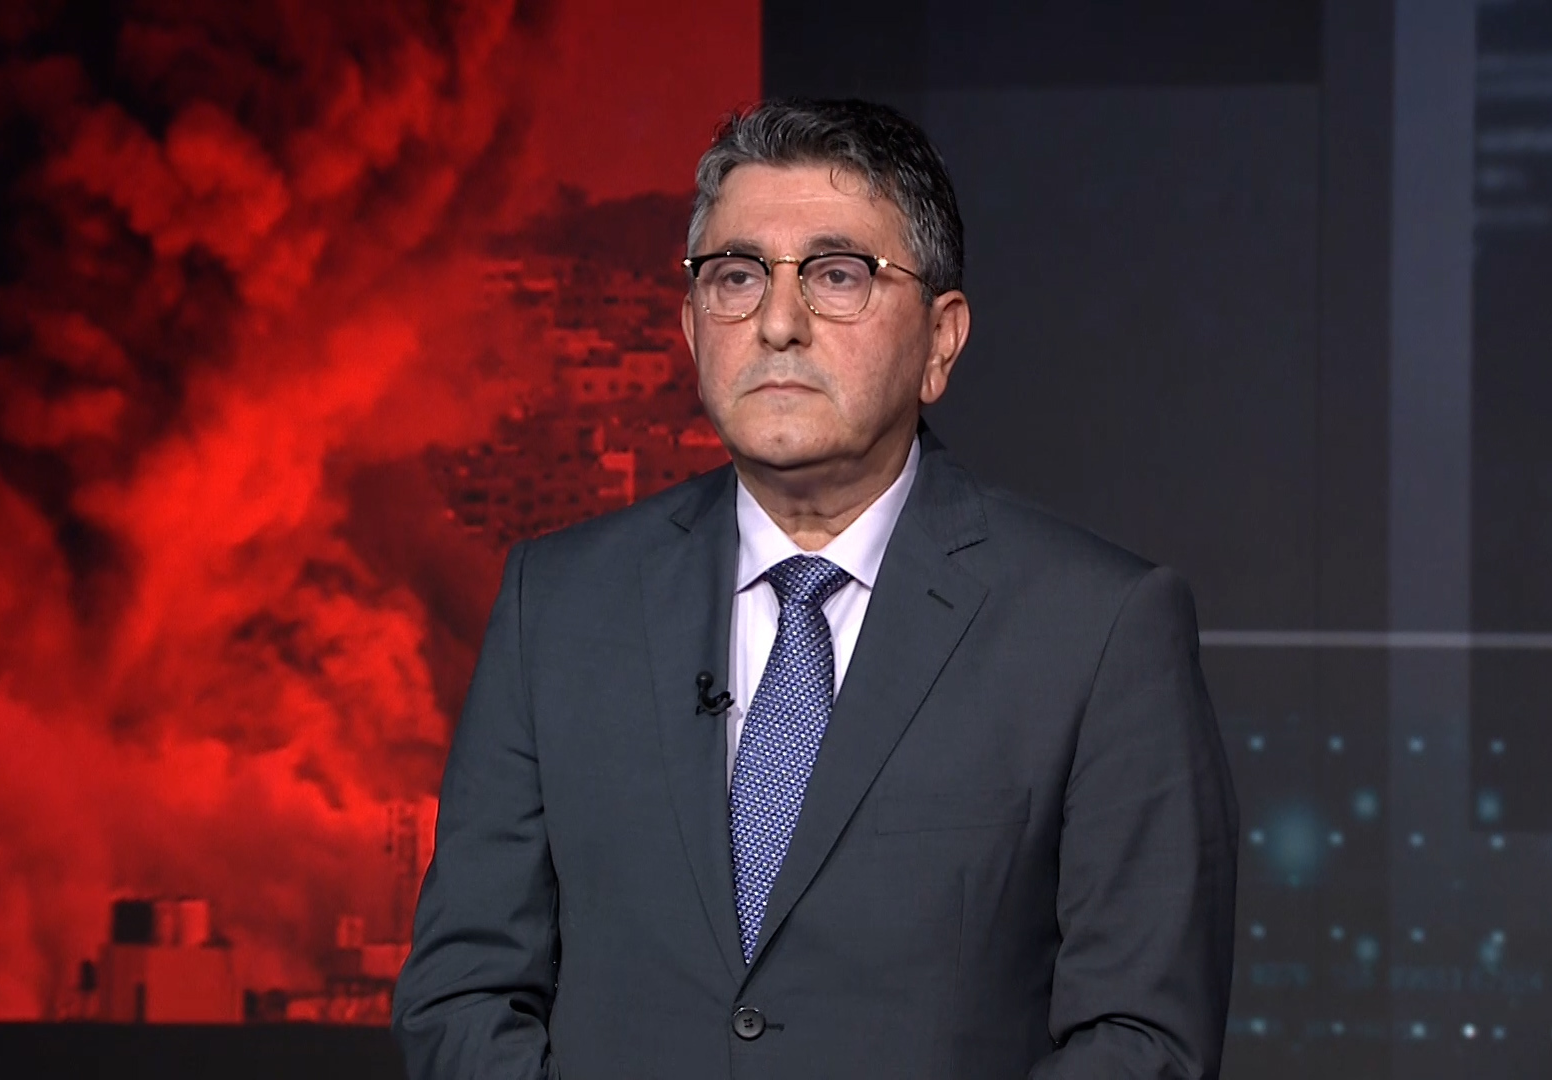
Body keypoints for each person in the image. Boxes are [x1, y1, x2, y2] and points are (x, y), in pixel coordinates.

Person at [393, 98, 1239, 1079]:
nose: (779, 323)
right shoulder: (557, 606)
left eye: (838, 275)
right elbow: (462, 993)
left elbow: (1140, 1039)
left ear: (940, 340)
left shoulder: (1097, 629)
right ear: (691, 326)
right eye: (737, 276)